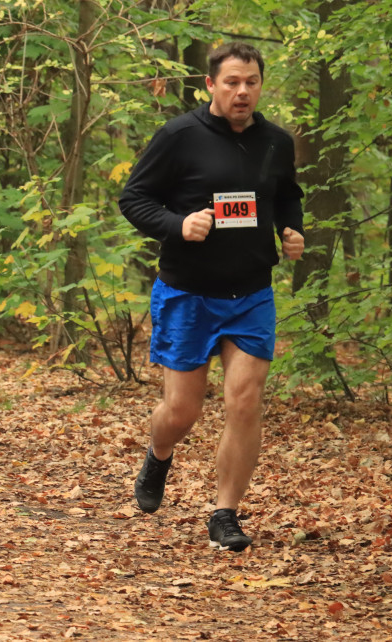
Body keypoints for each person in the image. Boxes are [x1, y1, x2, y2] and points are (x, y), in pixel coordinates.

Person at [118, 42, 305, 552]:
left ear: (261, 86)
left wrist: (291, 229)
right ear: (211, 85)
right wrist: (178, 224)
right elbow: (133, 198)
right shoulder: (180, 136)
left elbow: (287, 193)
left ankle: (225, 513)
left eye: (251, 82)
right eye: (232, 82)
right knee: (182, 412)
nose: (242, 91)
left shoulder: (275, 142)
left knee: (244, 401)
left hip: (251, 293)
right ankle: (159, 453)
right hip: (188, 292)